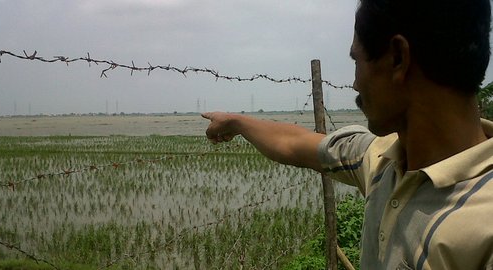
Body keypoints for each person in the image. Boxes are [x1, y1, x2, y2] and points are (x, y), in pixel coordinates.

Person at [202, 0, 493, 269]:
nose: (355, 84)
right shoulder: (382, 161)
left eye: (357, 61)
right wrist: (236, 122)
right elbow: (294, 143)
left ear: (397, 58)